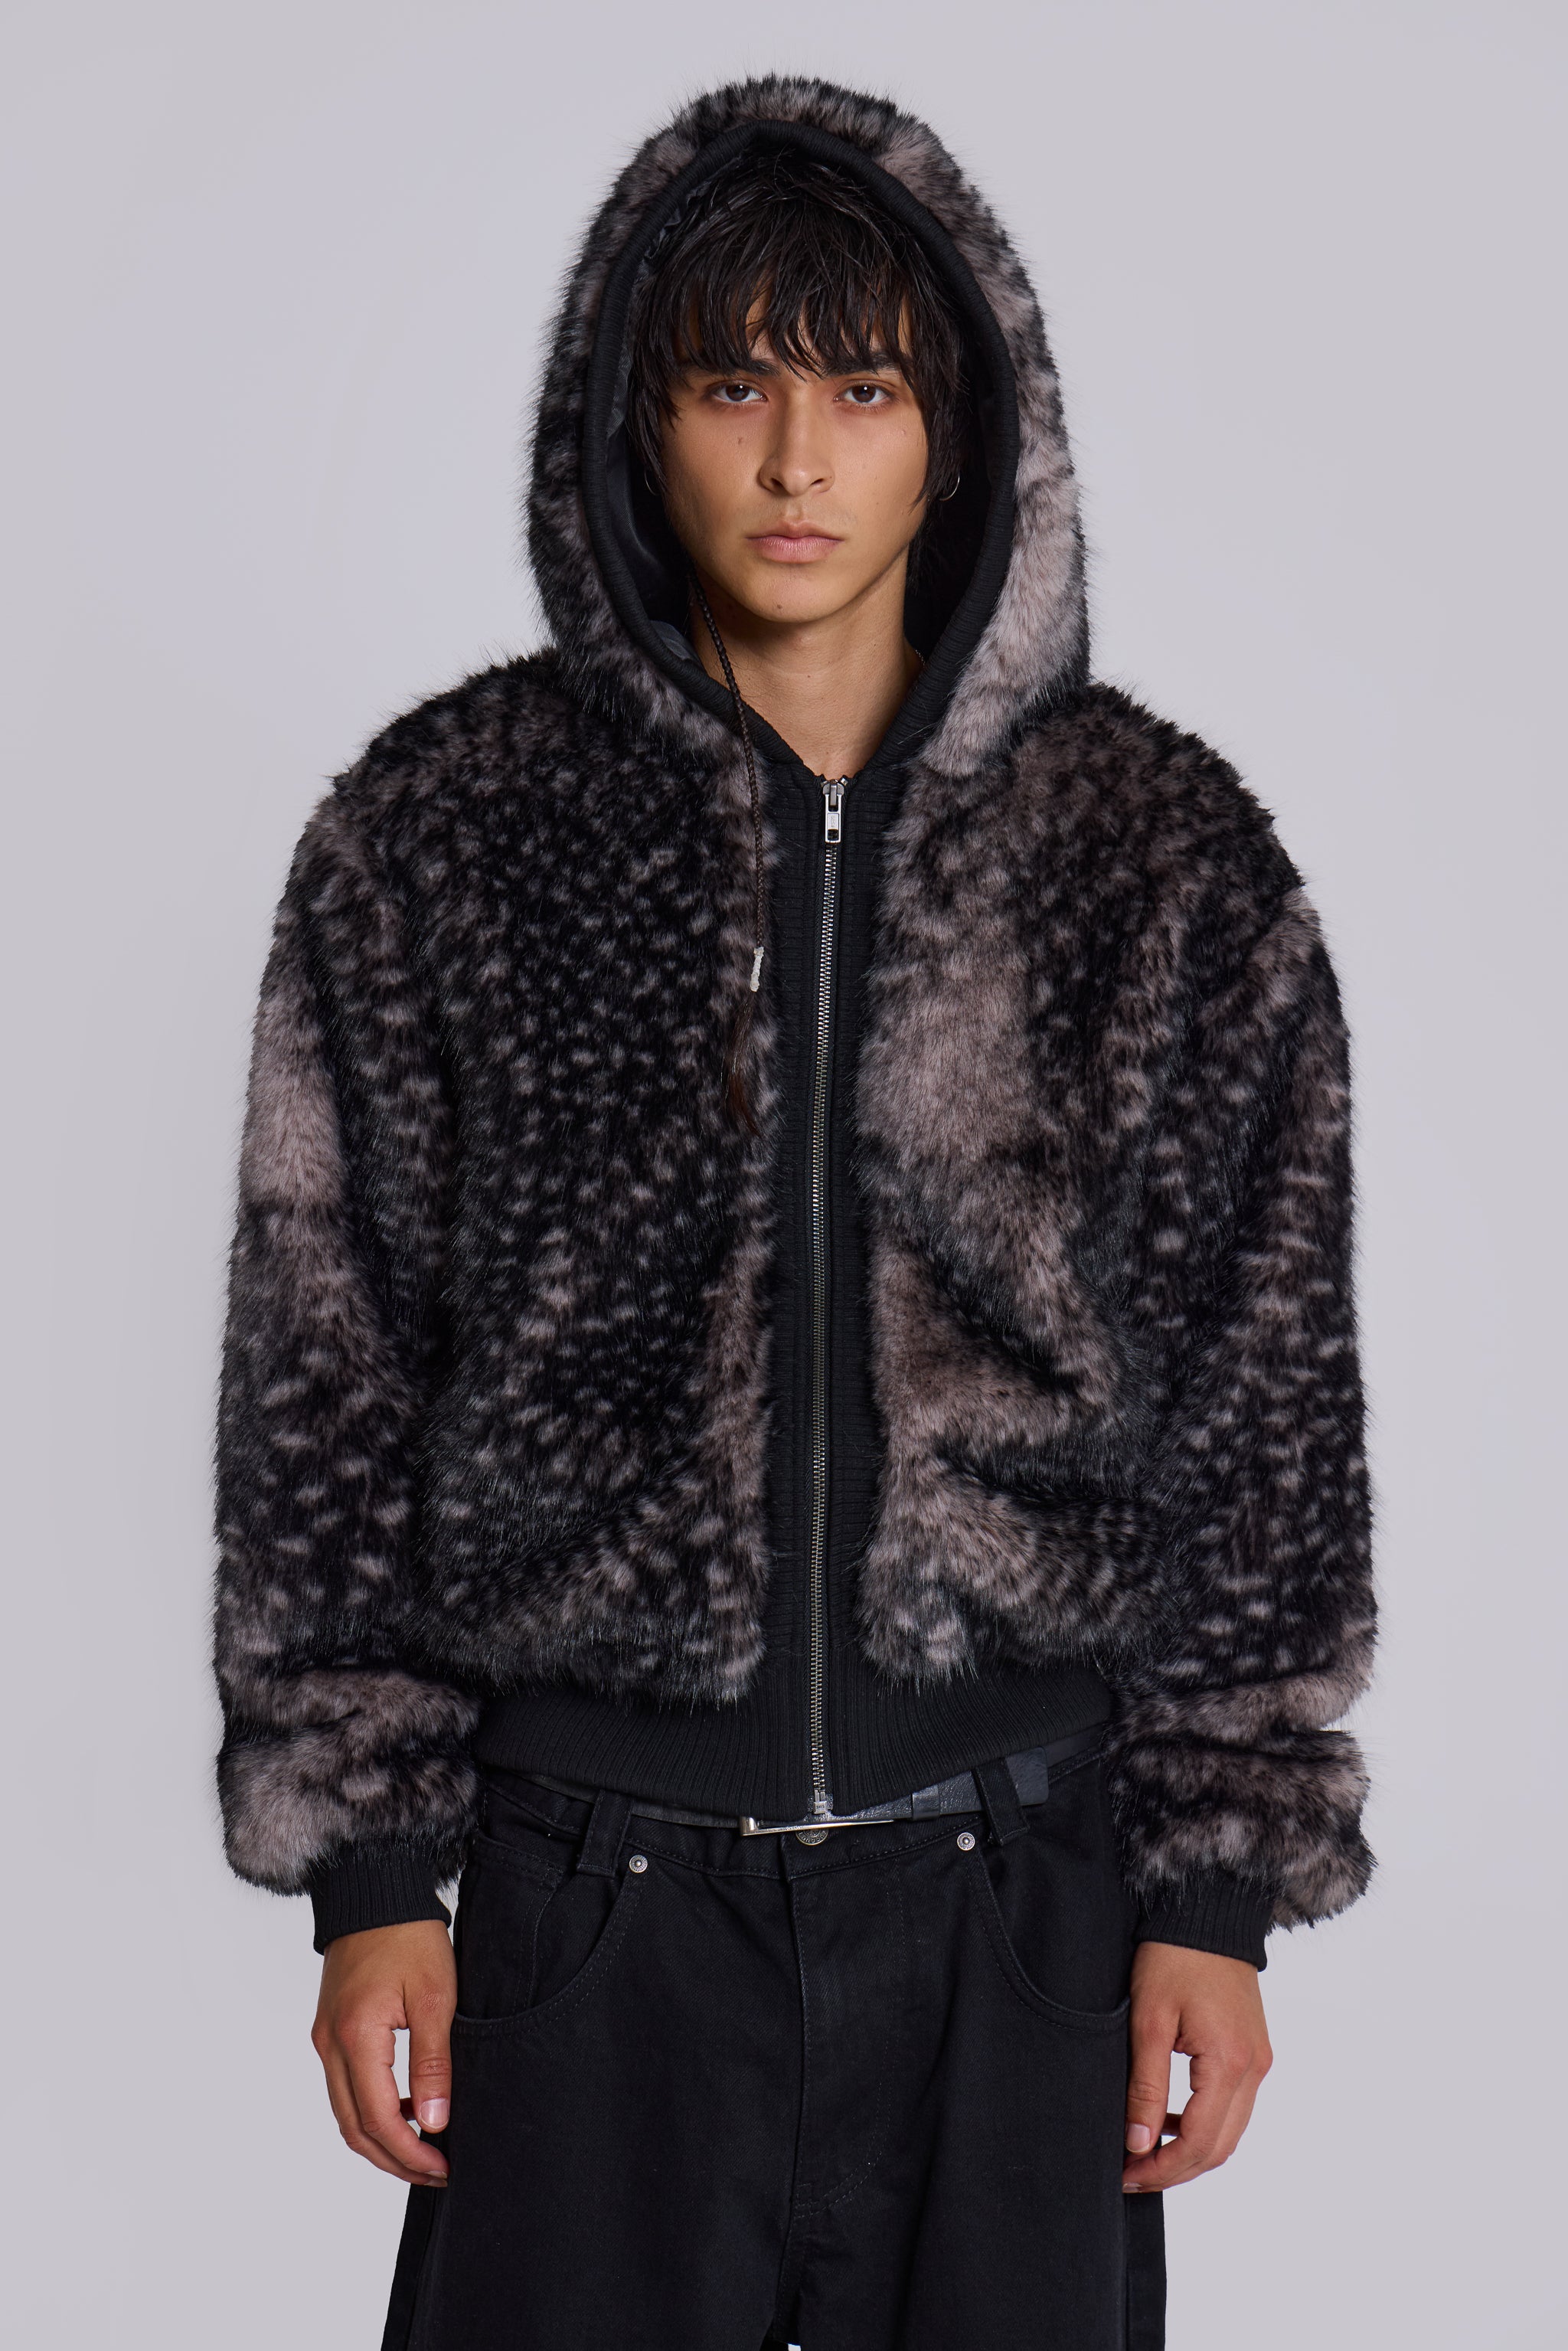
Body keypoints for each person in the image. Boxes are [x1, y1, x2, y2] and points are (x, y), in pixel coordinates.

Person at [214, 76, 1375, 2351]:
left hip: (1018, 1901)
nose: (794, 463)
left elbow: (1262, 1390)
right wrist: (369, 1872)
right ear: (629, 422)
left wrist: (1217, 1892)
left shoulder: (1158, 859)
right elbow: (324, 1369)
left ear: (964, 431)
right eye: (731, 386)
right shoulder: (445, 834)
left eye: (863, 391)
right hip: (583, 1911)